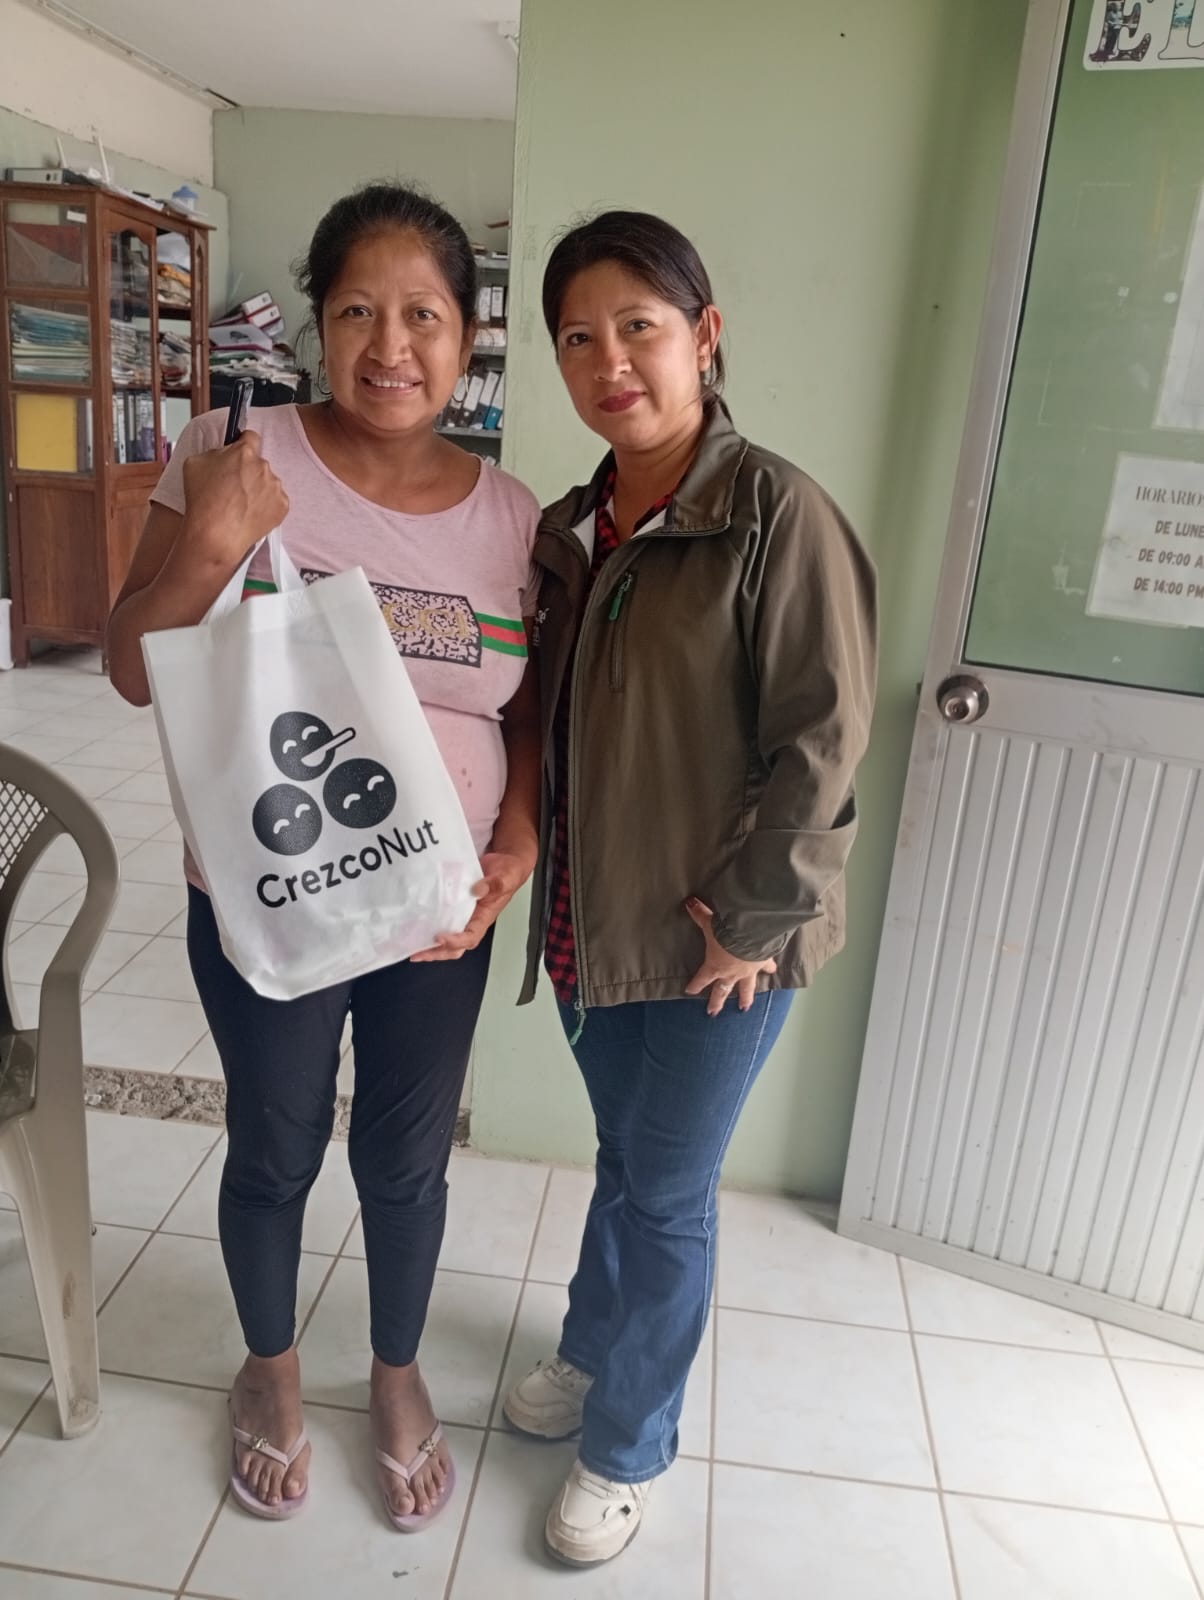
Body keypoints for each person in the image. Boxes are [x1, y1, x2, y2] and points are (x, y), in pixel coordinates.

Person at [107, 183, 541, 1530]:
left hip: (436, 908)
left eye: (423, 316)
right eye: (357, 311)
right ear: (315, 325)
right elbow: (131, 665)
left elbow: (532, 714)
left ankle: (396, 1374)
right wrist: (212, 546)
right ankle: (272, 1368)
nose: (390, 346)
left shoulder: (513, 514)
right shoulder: (233, 452)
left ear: (467, 336)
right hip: (274, 894)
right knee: (276, 1144)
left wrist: (518, 844)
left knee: (407, 1163)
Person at [501, 211, 877, 1566]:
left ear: (704, 338)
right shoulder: (568, 528)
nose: (610, 362)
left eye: (639, 328)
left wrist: (756, 925)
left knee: (665, 1191)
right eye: (577, 338)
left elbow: (824, 739)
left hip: (726, 943)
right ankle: (595, 1342)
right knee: (627, 1162)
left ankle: (628, 1442)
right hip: (592, 923)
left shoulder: (775, 513)